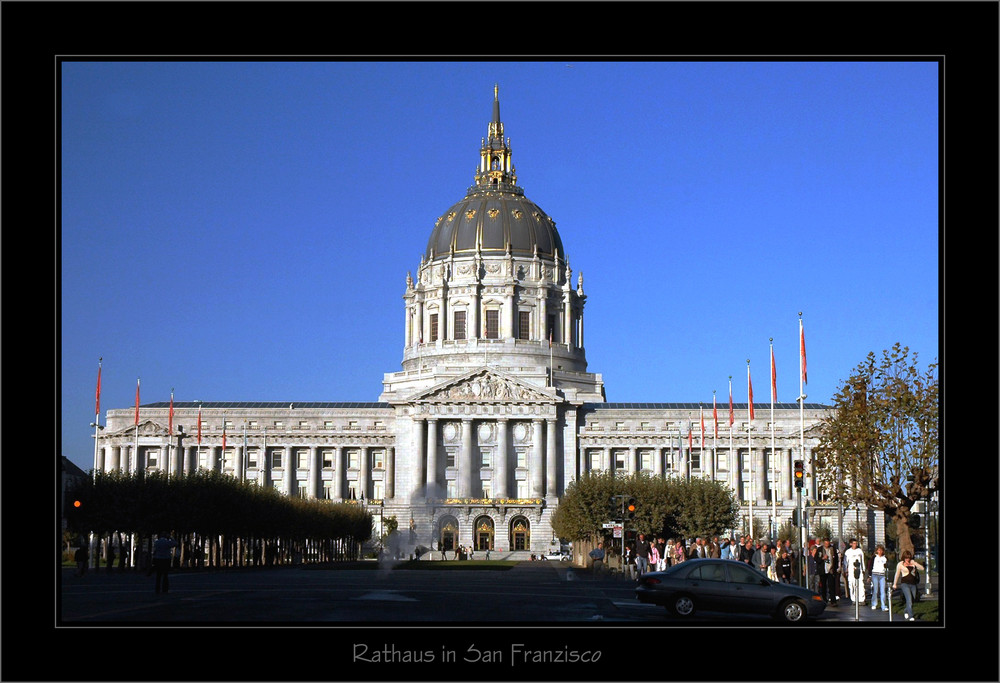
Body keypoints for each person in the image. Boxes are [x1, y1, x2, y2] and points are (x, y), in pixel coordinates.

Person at [892, 549, 925, 621]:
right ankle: (911, 616)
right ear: (903, 558)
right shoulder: (900, 564)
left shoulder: (913, 563)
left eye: (909, 558)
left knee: (912, 600)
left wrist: (915, 563)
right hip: (905, 583)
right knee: (909, 599)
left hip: (913, 584)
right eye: (906, 558)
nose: (908, 559)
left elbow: (922, 568)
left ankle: (906, 610)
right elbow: (897, 574)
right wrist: (895, 584)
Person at [816, 538, 840, 605]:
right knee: (823, 586)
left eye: (828, 543)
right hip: (823, 570)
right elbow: (816, 559)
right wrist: (822, 558)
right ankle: (824, 599)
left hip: (831, 570)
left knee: (832, 586)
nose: (827, 545)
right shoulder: (820, 549)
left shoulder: (832, 549)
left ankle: (833, 600)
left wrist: (836, 568)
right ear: (823, 543)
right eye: (825, 543)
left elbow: (836, 559)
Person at [843, 538, 866, 605]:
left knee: (860, 584)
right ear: (850, 544)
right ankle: (854, 599)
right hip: (851, 570)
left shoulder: (859, 551)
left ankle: (861, 599)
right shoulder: (848, 552)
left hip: (859, 570)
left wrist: (863, 569)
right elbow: (845, 562)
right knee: (852, 584)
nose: (855, 545)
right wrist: (845, 570)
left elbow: (862, 561)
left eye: (856, 543)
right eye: (853, 543)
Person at [869, 544, 889, 611]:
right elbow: (870, 566)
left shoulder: (885, 558)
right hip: (875, 574)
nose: (880, 552)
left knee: (883, 591)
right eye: (879, 550)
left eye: (881, 550)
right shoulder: (874, 557)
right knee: (875, 590)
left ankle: (883, 605)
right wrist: (869, 575)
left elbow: (887, 566)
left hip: (882, 575)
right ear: (877, 551)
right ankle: (874, 603)